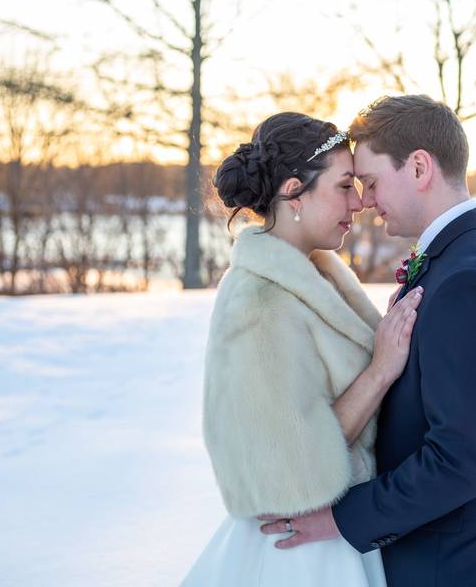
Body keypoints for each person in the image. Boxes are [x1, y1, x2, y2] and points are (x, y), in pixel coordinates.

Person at [260, 96, 476, 587]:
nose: (365, 200)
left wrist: (341, 520)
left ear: (419, 166)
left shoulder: (470, 279)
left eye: (373, 181)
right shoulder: (460, 257)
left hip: (470, 567)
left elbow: (460, 461)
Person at [181, 112, 422, 587]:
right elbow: (295, 465)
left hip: (338, 538)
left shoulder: (312, 278)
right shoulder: (261, 301)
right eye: (344, 185)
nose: (359, 203)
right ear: (294, 192)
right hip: (299, 556)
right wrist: (380, 370)